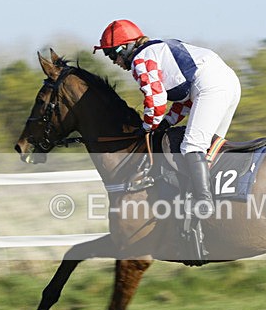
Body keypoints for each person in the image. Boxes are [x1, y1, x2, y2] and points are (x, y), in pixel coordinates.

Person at [94, 19, 242, 219]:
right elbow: (186, 99)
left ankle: (203, 203)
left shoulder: (141, 59)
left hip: (212, 85)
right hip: (227, 82)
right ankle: (216, 196)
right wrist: (166, 122)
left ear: (126, 48)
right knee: (211, 148)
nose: (113, 61)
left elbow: (156, 99)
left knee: (191, 146)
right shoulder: (158, 50)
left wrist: (148, 126)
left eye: (112, 54)